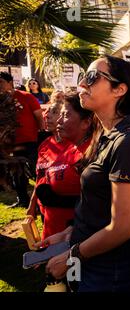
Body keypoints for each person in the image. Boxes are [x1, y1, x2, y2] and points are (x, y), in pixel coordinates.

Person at [41, 56, 130, 292]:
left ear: (119, 89)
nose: (82, 84)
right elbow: (100, 202)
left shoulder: (128, 142)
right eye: (83, 76)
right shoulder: (109, 133)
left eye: (93, 77)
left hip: (112, 268)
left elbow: (123, 228)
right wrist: (71, 232)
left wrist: (71, 256)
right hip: (96, 257)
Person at [27, 94, 93, 241]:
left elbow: (98, 204)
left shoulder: (91, 153)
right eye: (60, 114)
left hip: (76, 238)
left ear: (86, 122)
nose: (59, 120)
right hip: (53, 229)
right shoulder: (67, 148)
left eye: (65, 115)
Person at [0, 72, 44, 208]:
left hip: (30, 141)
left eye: (1, 81)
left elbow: (38, 115)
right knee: (16, 172)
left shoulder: (25, 96)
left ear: (10, 82)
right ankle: (23, 199)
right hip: (9, 144)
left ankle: (41, 200)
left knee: (35, 171)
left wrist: (40, 132)